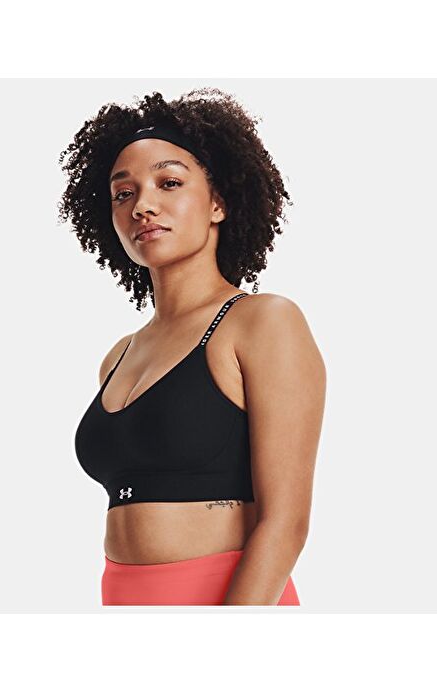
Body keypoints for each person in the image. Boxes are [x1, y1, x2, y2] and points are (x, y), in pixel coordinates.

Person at [58, 87, 326, 606]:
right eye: (123, 193)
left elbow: (285, 523)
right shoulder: (119, 356)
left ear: (217, 203)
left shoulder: (262, 322)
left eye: (170, 182)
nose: (143, 205)